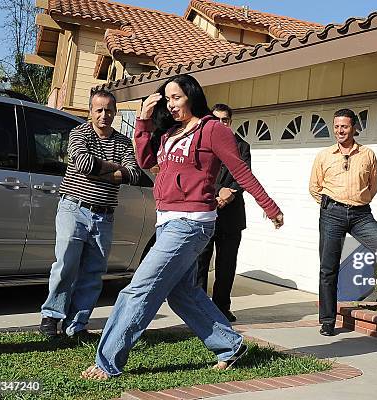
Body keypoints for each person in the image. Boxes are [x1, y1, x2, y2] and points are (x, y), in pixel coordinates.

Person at [81, 74, 284, 380]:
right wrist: (144, 121)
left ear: (191, 96)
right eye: (167, 98)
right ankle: (230, 346)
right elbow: (146, 159)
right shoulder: (171, 132)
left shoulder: (212, 129)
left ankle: (107, 361)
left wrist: (269, 207)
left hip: (191, 224)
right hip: (167, 221)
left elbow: (240, 171)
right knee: (182, 293)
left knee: (139, 289)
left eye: (176, 97)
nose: (171, 104)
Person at [39, 89, 141, 338]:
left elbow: (134, 173)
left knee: (93, 273)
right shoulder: (79, 133)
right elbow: (83, 164)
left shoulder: (123, 142)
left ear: (115, 112)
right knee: (65, 265)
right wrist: (115, 170)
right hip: (74, 209)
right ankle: (51, 317)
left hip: (104, 215)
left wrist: (102, 169)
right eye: (99, 109)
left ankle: (77, 325)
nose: (104, 115)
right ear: (90, 111)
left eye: (108, 110)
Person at [309, 108, 377, 337]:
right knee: (328, 268)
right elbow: (314, 188)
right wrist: (330, 205)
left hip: (361, 215)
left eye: (344, 126)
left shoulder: (367, 154)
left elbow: (373, 185)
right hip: (332, 213)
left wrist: (356, 201)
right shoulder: (324, 156)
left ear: (354, 128)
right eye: (336, 126)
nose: (339, 131)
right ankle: (327, 320)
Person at [196, 103, 250, 322]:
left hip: (232, 215)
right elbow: (198, 174)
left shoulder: (242, 146)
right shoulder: (201, 144)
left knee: (226, 265)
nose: (220, 124)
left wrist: (231, 192)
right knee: (200, 263)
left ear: (230, 122)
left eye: (225, 120)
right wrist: (219, 191)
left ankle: (221, 308)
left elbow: (244, 175)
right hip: (206, 211)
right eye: (216, 119)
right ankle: (198, 309)